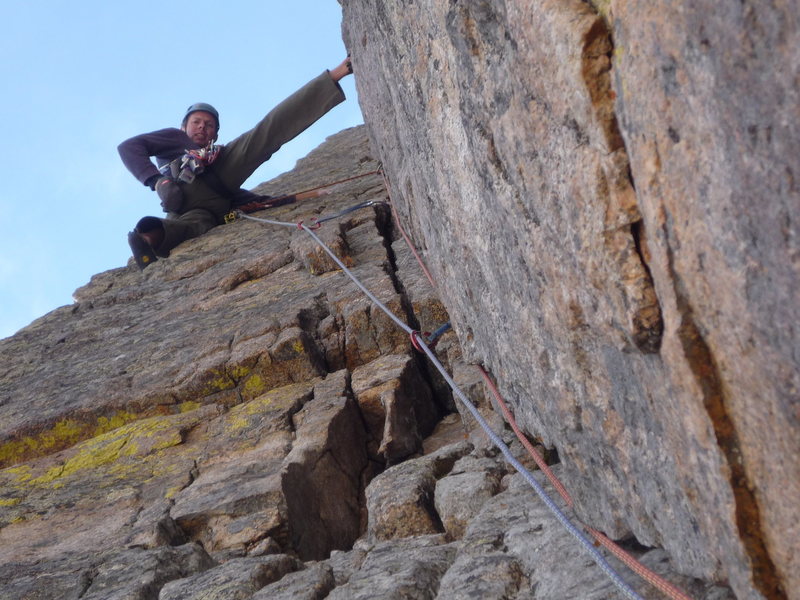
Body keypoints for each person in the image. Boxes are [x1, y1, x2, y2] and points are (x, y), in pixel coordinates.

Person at [118, 56, 353, 269]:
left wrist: (298, 198)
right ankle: (148, 240)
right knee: (264, 136)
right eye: (197, 122)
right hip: (184, 192)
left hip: (216, 194)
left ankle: (148, 239)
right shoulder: (174, 137)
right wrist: (157, 181)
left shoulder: (218, 156)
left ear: (215, 137)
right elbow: (129, 147)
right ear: (184, 127)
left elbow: (253, 202)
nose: (202, 127)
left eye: (209, 125)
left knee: (194, 227)